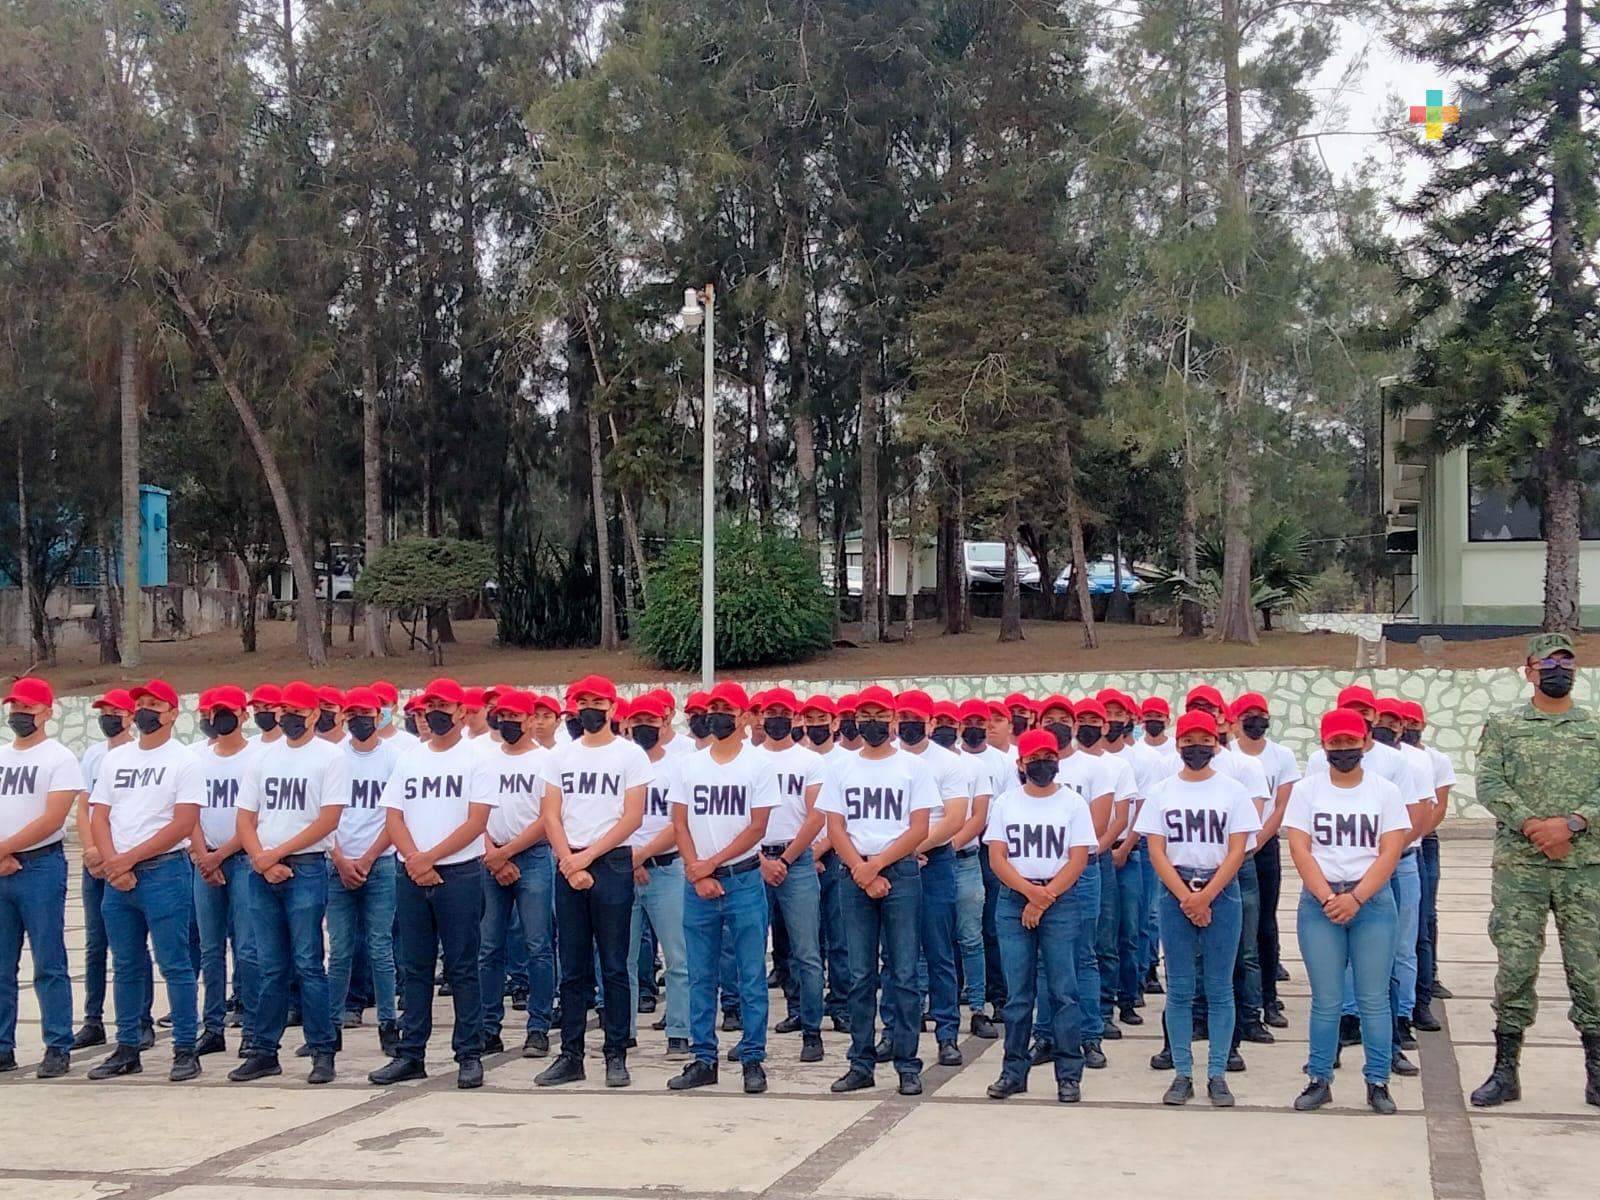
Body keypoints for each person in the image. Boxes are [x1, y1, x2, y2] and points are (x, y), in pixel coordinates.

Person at [1471, 633, 1600, 1109]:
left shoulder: (1595, 726)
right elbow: (1488, 782)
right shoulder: (1503, 726)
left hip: (1583, 868)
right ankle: (1506, 1073)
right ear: (1529, 671)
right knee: (1516, 969)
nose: (1557, 669)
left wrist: (1572, 823)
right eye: (1548, 662)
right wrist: (1533, 825)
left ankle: (1597, 1074)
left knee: (1591, 972)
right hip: (1521, 868)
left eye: (1566, 661)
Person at [1283, 708, 1411, 1114]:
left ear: (1365, 742)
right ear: (1323, 745)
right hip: (1320, 903)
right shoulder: (1307, 791)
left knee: (1373, 998)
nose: (1343, 749)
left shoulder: (1384, 792)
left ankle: (1378, 1081)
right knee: (1327, 999)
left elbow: (1390, 850)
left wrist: (1355, 898)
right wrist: (1327, 898)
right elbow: (1300, 847)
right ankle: (1319, 1077)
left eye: (1350, 742)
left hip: (1371, 902)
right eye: (1335, 743)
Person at [371, 677, 496, 1089]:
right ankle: (412, 1053)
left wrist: (430, 857)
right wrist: (413, 858)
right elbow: (394, 815)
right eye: (429, 707)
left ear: (462, 712)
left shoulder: (477, 758)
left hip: (458, 873)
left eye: (444, 706)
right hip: (412, 873)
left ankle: (469, 1053)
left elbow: (477, 821)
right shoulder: (411, 758)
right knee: (415, 967)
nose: (434, 714)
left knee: (462, 967)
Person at [1135, 709, 1260, 1107]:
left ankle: (1218, 1073)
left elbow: (1239, 848)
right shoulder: (1162, 791)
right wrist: (1187, 897)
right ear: (1178, 745)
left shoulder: (1233, 791)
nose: (1196, 748)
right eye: (1189, 741)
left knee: (1221, 988)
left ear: (1217, 744)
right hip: (1176, 889)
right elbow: (1155, 848)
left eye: (1204, 741)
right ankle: (1183, 1072)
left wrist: (1206, 896)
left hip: (1221, 889)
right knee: (1181, 988)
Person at [818, 685, 938, 1096]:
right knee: (858, 973)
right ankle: (861, 1062)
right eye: (863, 715)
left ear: (893, 719)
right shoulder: (841, 768)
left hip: (899, 871)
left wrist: (877, 866)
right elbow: (835, 826)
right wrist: (860, 869)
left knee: (903, 972)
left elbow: (919, 828)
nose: (871, 723)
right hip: (853, 872)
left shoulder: (912, 767)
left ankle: (907, 1063)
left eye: (879, 715)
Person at [86, 679, 205, 1082]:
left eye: (155, 705)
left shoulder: (184, 760)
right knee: (126, 964)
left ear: (173, 713)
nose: (144, 712)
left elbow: (184, 823)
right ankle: (128, 1046)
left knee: (175, 963)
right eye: (140, 705)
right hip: (119, 878)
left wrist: (128, 860)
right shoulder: (115, 760)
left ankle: (186, 1048)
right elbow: (99, 814)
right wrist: (112, 862)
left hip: (163, 872)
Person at [230, 680, 348, 1085]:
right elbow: (245, 817)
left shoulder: (330, 758)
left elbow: (328, 819)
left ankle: (322, 1050)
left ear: (314, 714)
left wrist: (275, 855)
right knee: (270, 967)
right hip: (263, 870)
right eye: (284, 712)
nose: (289, 719)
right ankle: (264, 1050)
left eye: (297, 712)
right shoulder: (262, 758)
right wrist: (262, 859)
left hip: (307, 867)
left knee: (308, 963)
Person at [536, 674, 650, 1088]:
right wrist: (568, 860)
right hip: (568, 861)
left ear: (612, 708)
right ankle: (571, 1054)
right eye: (582, 702)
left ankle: (616, 1054)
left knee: (615, 965)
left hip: (611, 863)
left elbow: (632, 817)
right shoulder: (560, 757)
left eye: (597, 702)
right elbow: (550, 813)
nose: (589, 709)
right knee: (573, 966)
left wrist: (587, 857)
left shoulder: (630, 755)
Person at [668, 681, 780, 1093]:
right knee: (701, 974)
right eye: (711, 708)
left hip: (744, 879)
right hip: (698, 885)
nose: (715, 716)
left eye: (725, 709)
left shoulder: (758, 766)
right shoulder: (689, 766)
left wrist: (709, 867)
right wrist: (697, 872)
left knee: (750, 974)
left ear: (745, 717)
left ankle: (753, 1058)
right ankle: (703, 1058)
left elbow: (757, 826)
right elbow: (679, 823)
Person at [984, 730, 1096, 1103]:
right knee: (1018, 996)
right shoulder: (1005, 803)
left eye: (1048, 758)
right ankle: (1013, 1072)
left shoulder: (1073, 803)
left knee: (1064, 992)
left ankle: (1068, 1075)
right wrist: (1030, 894)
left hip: (1059, 900)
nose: (1042, 765)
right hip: (1016, 900)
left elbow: (1078, 858)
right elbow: (997, 857)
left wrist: (1044, 897)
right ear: (1021, 764)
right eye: (1034, 759)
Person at [0, 677, 84, 1077]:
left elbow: (54, 818)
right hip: (2, 867)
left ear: (47, 713)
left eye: (28, 709)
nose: (19, 716)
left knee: (49, 960)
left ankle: (57, 1044)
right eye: (14, 708)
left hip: (39, 867)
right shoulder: (1, 755)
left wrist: (5, 850)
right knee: (1, 965)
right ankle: (3, 1045)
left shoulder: (59, 758)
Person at [888, 688, 972, 1069]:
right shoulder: (885, 759)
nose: (907, 724)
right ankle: (893, 1032)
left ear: (931, 722)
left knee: (938, 950)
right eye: (901, 716)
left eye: (914, 717)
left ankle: (947, 1034)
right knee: (894, 955)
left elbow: (955, 818)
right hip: (892, 862)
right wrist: (900, 852)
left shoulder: (949, 763)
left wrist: (917, 847)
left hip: (934, 860)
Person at [479, 690, 557, 1059]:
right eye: (502, 715)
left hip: (533, 857)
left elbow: (548, 819)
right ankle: (488, 1027)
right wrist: (492, 852)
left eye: (515, 716)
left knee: (538, 945)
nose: (507, 722)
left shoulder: (547, 761)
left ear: (529, 720)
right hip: (490, 855)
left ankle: (538, 1026)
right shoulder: (485, 760)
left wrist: (507, 853)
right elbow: (472, 811)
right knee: (489, 947)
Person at [72, 688, 151, 1053]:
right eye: (102, 711)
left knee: (132, 948)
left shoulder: (138, 754)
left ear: (130, 716)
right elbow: (86, 806)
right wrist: (92, 850)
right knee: (95, 943)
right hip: (97, 862)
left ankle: (140, 1020)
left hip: (125, 860)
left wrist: (115, 857)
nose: (107, 717)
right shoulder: (92, 755)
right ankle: (93, 1019)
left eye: (113, 711)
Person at [327, 686, 402, 1060]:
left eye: (366, 713)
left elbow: (395, 816)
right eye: (352, 713)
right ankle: (331, 1028)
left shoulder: (394, 758)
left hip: (381, 862)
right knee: (339, 951)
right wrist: (340, 858)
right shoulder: (333, 757)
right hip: (337, 863)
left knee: (380, 948)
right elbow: (323, 816)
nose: (359, 720)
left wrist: (370, 857)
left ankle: (389, 1023)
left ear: (380, 716)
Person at [756, 687, 828, 1062]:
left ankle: (812, 1030)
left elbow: (817, 815)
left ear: (795, 718)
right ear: (761, 717)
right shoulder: (749, 760)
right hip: (752, 861)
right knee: (752, 954)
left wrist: (785, 859)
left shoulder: (810, 761)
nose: (777, 719)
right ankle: (753, 1036)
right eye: (771, 712)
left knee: (807, 952)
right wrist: (762, 858)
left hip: (795, 861)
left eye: (785, 713)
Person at [190, 686, 260, 1059]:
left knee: (248, 948)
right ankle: (212, 1026)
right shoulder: (197, 758)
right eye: (213, 712)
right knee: (210, 948)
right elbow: (188, 812)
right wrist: (204, 855)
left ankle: (251, 1026)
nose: (219, 719)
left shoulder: (257, 758)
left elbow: (257, 815)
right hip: (205, 859)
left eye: (227, 711)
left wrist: (223, 854)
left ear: (243, 715)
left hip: (244, 859)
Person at [622, 692, 690, 1058]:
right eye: (639, 722)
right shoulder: (619, 765)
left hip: (665, 868)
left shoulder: (679, 766)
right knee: (623, 958)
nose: (646, 728)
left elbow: (679, 822)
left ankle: (679, 1030)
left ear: (665, 724)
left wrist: (643, 855)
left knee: (678, 957)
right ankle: (623, 1031)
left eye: (653, 721)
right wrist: (629, 862)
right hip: (622, 871)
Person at [1230, 692, 1301, 1031]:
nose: (1256, 721)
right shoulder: (1228, 756)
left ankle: (1268, 999)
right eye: (1249, 715)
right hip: (1231, 852)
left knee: (1264, 926)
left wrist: (1255, 842)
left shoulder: (1281, 755)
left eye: (1262, 715)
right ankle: (1240, 1000)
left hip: (1263, 848)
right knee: (1234, 930)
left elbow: (1281, 804)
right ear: (1237, 720)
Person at [803, 694, 855, 1033]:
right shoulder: (801, 760)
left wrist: (820, 850)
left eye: (823, 719)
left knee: (840, 937)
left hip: (835, 854)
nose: (816, 726)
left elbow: (846, 817)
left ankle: (841, 1004)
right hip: (801, 857)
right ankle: (804, 1006)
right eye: (810, 720)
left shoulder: (847, 762)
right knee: (805, 940)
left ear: (835, 724)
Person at [1403, 700, 1455, 1030]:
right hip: (1400, 844)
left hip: (1423, 842)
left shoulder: (1435, 760)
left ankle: (1427, 982)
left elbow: (1437, 806)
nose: (1407, 727)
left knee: (1425, 917)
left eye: (1412, 722)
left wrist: (1413, 837)